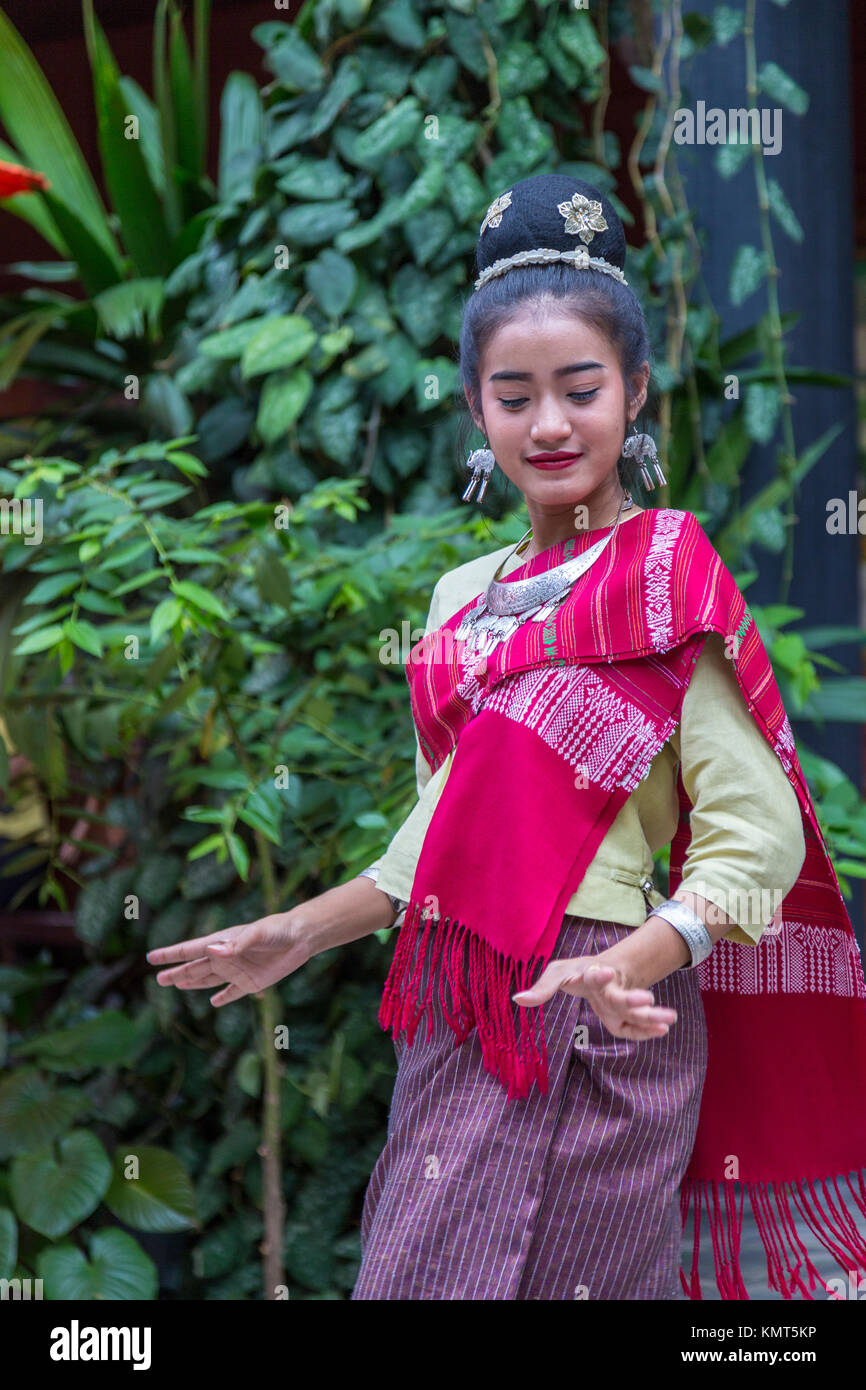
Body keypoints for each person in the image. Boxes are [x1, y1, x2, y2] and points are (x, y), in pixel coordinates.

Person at [147, 174, 866, 1301]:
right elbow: (439, 841)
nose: (547, 424)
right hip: (462, 1012)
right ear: (474, 409)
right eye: (511, 393)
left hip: (609, 1015)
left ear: (632, 392)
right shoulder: (456, 600)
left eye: (579, 388)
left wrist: (635, 958)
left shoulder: (670, 572)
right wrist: (294, 931)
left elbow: (753, 844)